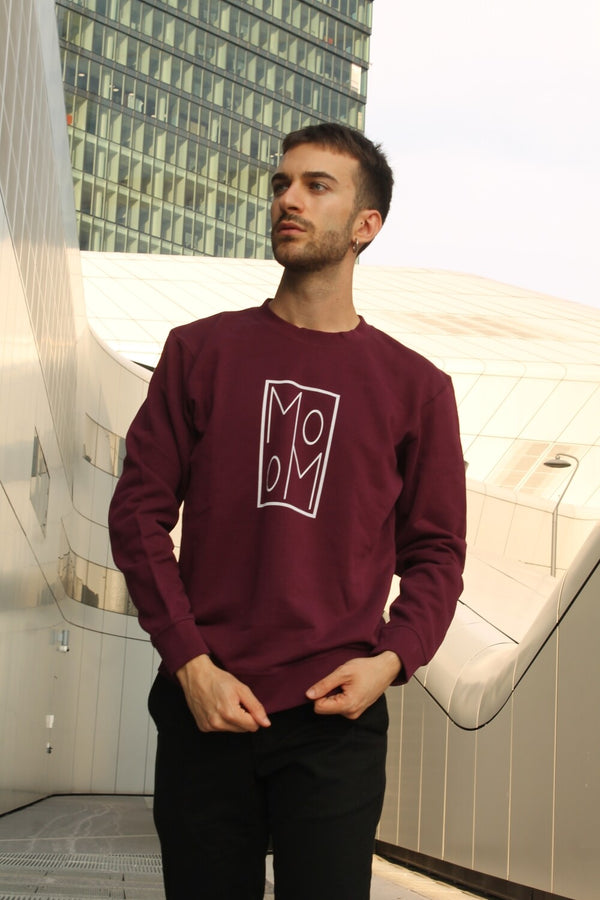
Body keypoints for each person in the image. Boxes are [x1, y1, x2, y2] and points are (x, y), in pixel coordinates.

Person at [108, 122, 466, 900]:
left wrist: (390, 661)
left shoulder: (416, 389)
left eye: (316, 186)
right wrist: (189, 663)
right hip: (206, 706)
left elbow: (438, 553)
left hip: (335, 720)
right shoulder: (199, 353)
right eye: (281, 184)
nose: (287, 200)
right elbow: (137, 513)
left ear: (366, 225)